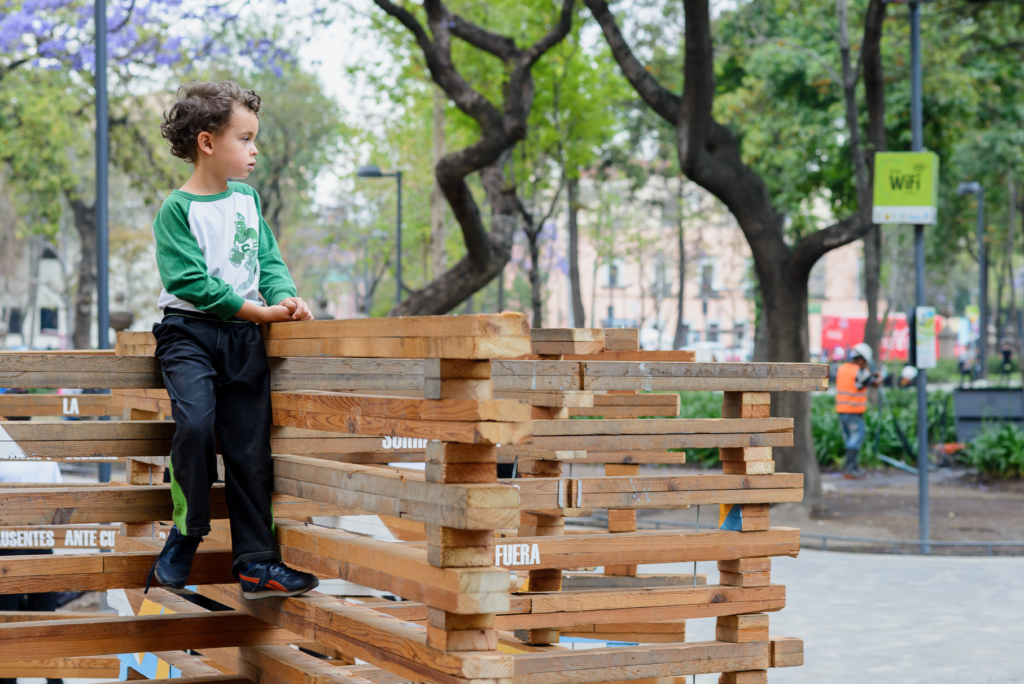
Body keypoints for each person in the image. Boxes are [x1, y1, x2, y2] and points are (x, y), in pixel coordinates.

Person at [146, 80, 318, 599]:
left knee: (249, 450)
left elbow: (267, 260)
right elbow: (191, 283)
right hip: (189, 335)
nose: (254, 149)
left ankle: (258, 564)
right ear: (207, 143)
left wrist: (285, 299)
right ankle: (187, 531)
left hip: (244, 339)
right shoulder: (176, 211)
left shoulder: (246, 199)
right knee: (196, 427)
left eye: (253, 138)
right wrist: (258, 310)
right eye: (244, 139)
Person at [0, 449, 65, 684]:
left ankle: (8, 677)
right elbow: (58, 493)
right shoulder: (43, 448)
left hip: (7, 541)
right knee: (44, 614)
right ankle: (54, 678)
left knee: (7, 617)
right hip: (40, 538)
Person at [835, 343, 881, 479]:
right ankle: (850, 469)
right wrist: (880, 376)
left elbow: (858, 382)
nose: (865, 364)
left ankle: (853, 468)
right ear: (860, 359)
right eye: (865, 361)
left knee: (850, 439)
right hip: (854, 412)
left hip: (842, 411)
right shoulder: (860, 371)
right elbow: (874, 383)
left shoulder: (842, 368)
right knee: (856, 439)